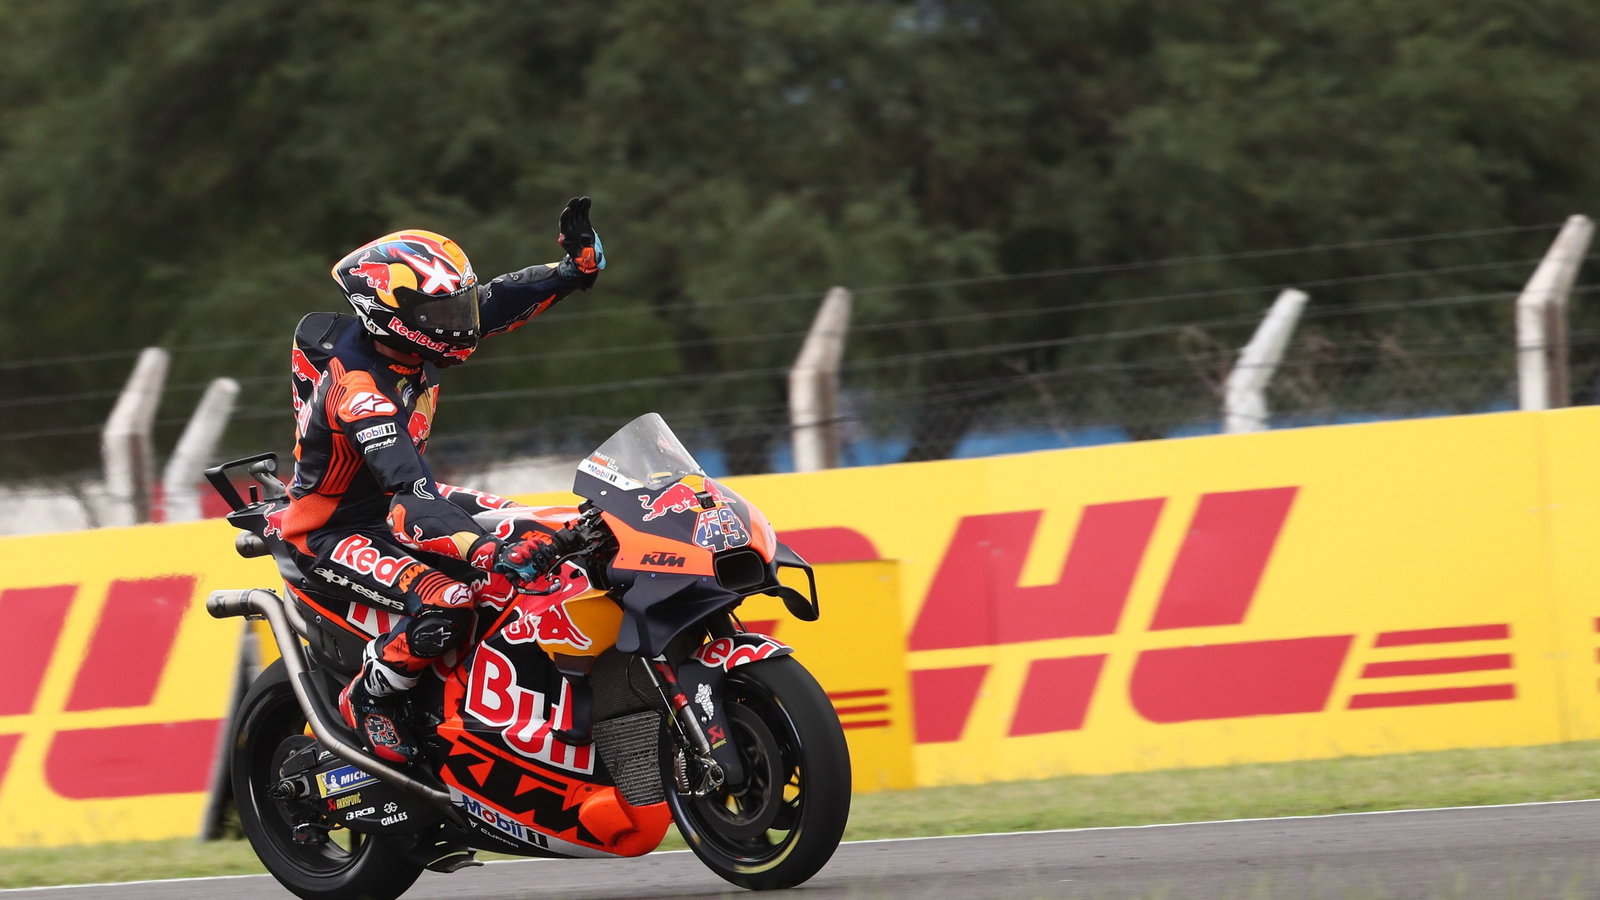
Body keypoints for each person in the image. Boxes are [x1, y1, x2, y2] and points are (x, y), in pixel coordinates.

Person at [277, 198, 605, 763]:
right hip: (334, 527)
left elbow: (496, 300)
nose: (464, 321)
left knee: (549, 525)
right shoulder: (360, 389)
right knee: (450, 599)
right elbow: (411, 496)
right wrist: (486, 550)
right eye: (445, 311)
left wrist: (571, 273)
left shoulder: (408, 339)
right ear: (391, 316)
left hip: (395, 501)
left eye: (458, 306)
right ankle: (372, 698)